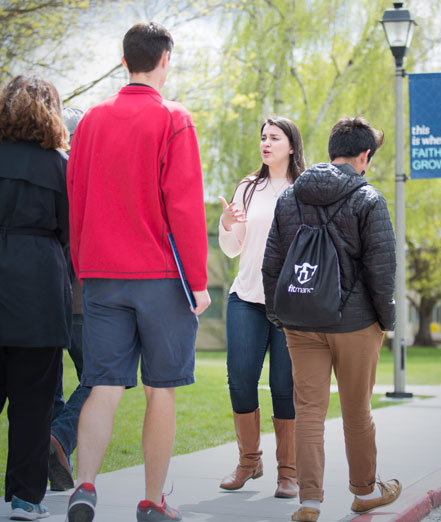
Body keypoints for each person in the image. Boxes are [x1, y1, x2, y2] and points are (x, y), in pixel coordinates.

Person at [65, 22, 210, 522]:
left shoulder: (90, 122)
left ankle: (84, 487)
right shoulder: (174, 119)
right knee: (159, 388)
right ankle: (151, 501)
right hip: (161, 279)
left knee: (103, 385)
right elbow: (185, 207)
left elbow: (75, 198)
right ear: (165, 60)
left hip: (102, 275)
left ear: (124, 60)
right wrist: (197, 281)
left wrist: (85, 264)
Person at [262, 117, 400, 522]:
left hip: (301, 323)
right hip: (355, 325)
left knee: (308, 411)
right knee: (357, 410)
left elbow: (272, 264)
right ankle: (365, 492)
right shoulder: (369, 199)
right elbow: (382, 269)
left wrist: (278, 314)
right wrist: (385, 320)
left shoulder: (290, 198)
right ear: (364, 157)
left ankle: (309, 503)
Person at [218, 117, 305, 498]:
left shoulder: (304, 189)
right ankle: (249, 460)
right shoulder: (248, 188)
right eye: (263, 138)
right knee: (239, 379)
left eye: (274, 138)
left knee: (284, 388)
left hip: (290, 306)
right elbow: (232, 248)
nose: (266, 143)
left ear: (291, 145)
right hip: (246, 299)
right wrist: (225, 223)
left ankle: (288, 472)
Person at [0, 74, 72, 520]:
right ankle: (26, 497)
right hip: (40, 291)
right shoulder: (61, 167)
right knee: (33, 402)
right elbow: (71, 233)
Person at [48, 107, 90, 492]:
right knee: (104, 375)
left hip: (44, 298)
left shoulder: (44, 171)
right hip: (80, 297)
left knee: (54, 385)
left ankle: (57, 465)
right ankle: (59, 438)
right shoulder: (77, 176)